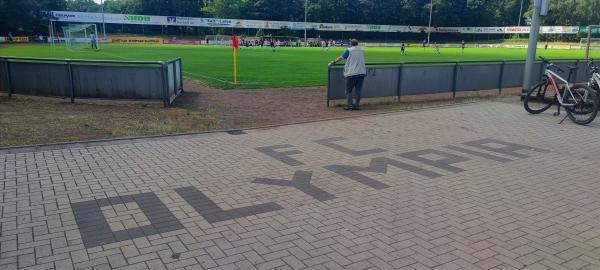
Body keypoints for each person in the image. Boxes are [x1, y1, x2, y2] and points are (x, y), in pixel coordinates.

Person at [328, 39, 366, 110]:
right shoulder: (362, 50)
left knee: (349, 90)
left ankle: (350, 105)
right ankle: (357, 105)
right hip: (361, 73)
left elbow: (341, 58)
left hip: (351, 73)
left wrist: (333, 62)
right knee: (358, 90)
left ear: (351, 44)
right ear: (357, 44)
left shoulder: (349, 50)